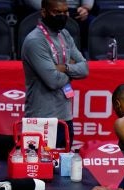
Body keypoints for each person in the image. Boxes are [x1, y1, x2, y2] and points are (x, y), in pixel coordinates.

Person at [21, 0, 89, 148]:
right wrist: (71, 68)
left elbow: (84, 69)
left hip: (65, 117)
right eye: (57, 12)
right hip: (41, 120)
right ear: (44, 12)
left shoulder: (64, 35)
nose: (63, 16)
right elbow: (53, 80)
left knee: (64, 170)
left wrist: (64, 68)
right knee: (39, 170)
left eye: (65, 12)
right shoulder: (35, 41)